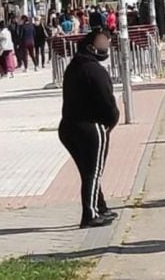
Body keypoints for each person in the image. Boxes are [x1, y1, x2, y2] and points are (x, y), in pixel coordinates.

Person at [58, 29, 120, 228]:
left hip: (68, 126)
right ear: (92, 46)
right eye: (104, 43)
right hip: (91, 127)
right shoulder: (94, 70)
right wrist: (110, 122)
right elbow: (107, 102)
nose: (106, 47)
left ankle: (99, 207)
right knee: (93, 172)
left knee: (88, 171)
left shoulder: (74, 67)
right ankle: (90, 214)